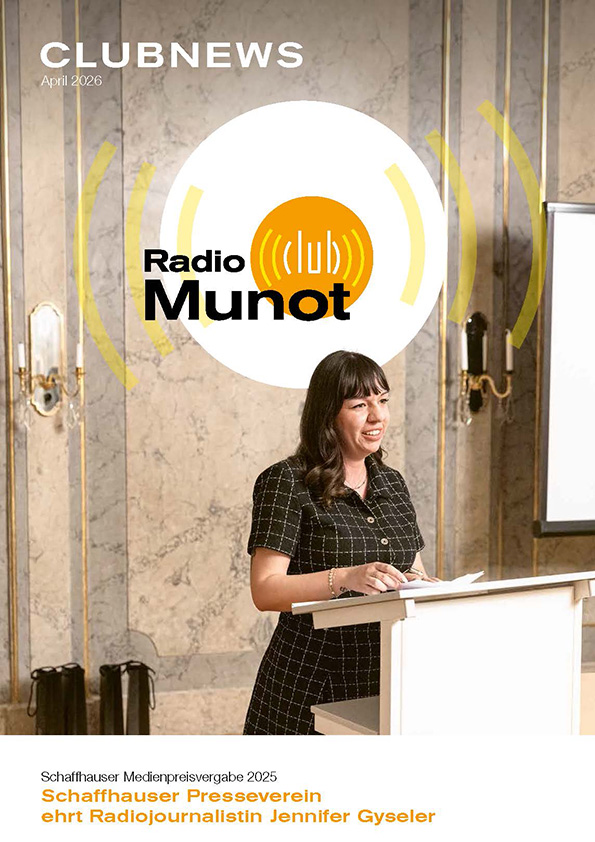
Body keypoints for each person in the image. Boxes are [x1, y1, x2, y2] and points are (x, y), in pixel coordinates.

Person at [243, 350, 434, 735]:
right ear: (328, 414)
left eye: (383, 401)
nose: (377, 416)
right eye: (360, 405)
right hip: (311, 681)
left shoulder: (392, 482)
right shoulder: (286, 481)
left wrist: (423, 585)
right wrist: (346, 577)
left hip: (387, 677)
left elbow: (412, 571)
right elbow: (265, 590)